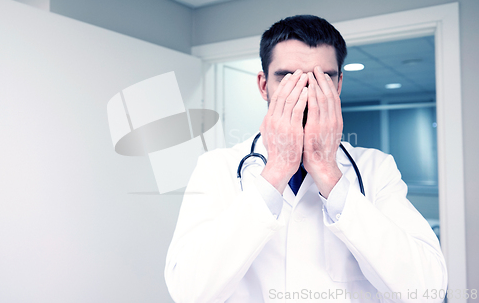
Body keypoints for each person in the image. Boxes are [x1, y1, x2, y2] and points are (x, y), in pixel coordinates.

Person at [164, 15, 447, 303]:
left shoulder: (377, 168)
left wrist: (328, 174)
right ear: (263, 86)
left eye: (322, 78)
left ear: (337, 86)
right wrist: (276, 171)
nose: (306, 93)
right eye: (288, 78)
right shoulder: (217, 168)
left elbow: (428, 291)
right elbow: (188, 292)